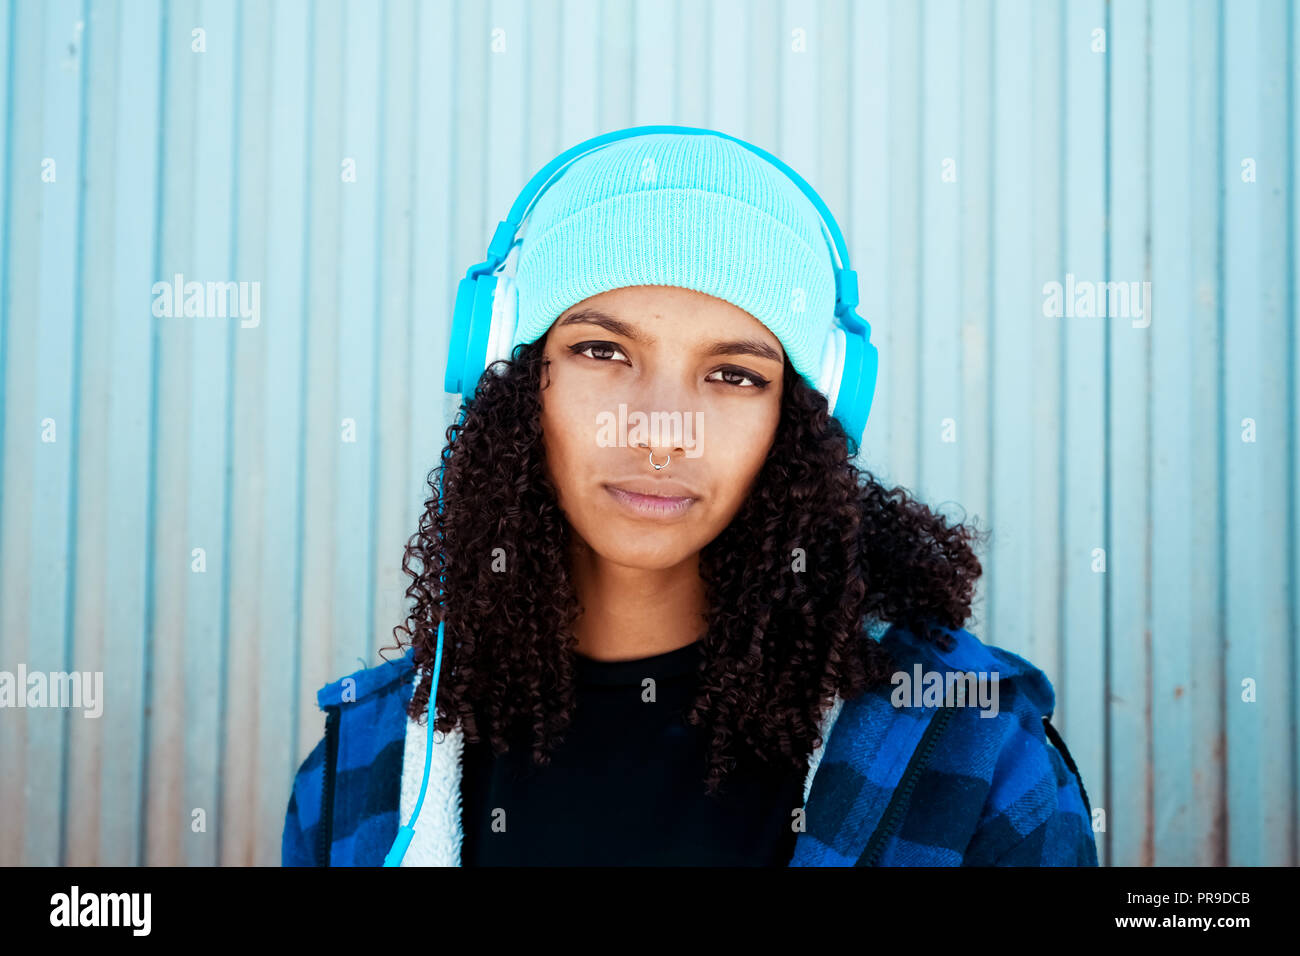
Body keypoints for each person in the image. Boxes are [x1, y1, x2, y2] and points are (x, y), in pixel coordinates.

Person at [281, 130, 1098, 867]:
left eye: (734, 375)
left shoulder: (972, 752)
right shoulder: (366, 764)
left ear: (806, 421)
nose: (661, 433)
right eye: (602, 351)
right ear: (514, 377)